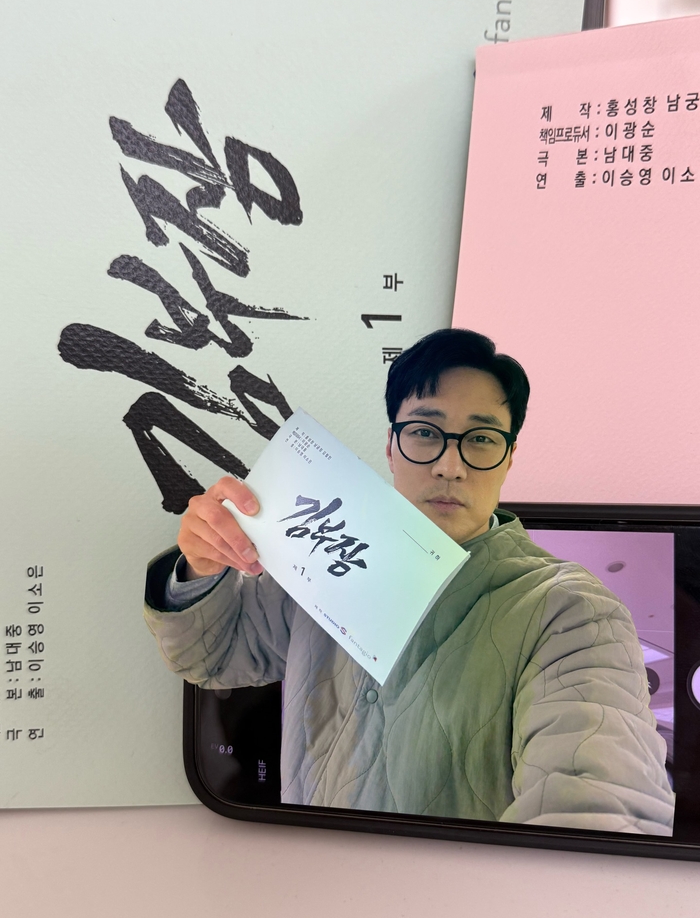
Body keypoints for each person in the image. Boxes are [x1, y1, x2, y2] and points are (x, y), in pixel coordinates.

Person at [144, 328, 674, 833]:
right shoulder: (322, 555)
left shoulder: (571, 613)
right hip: (305, 874)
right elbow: (208, 658)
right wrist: (202, 566)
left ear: (510, 456)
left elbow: (600, 803)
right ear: (392, 446)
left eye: (481, 438)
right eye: (424, 432)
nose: (450, 465)